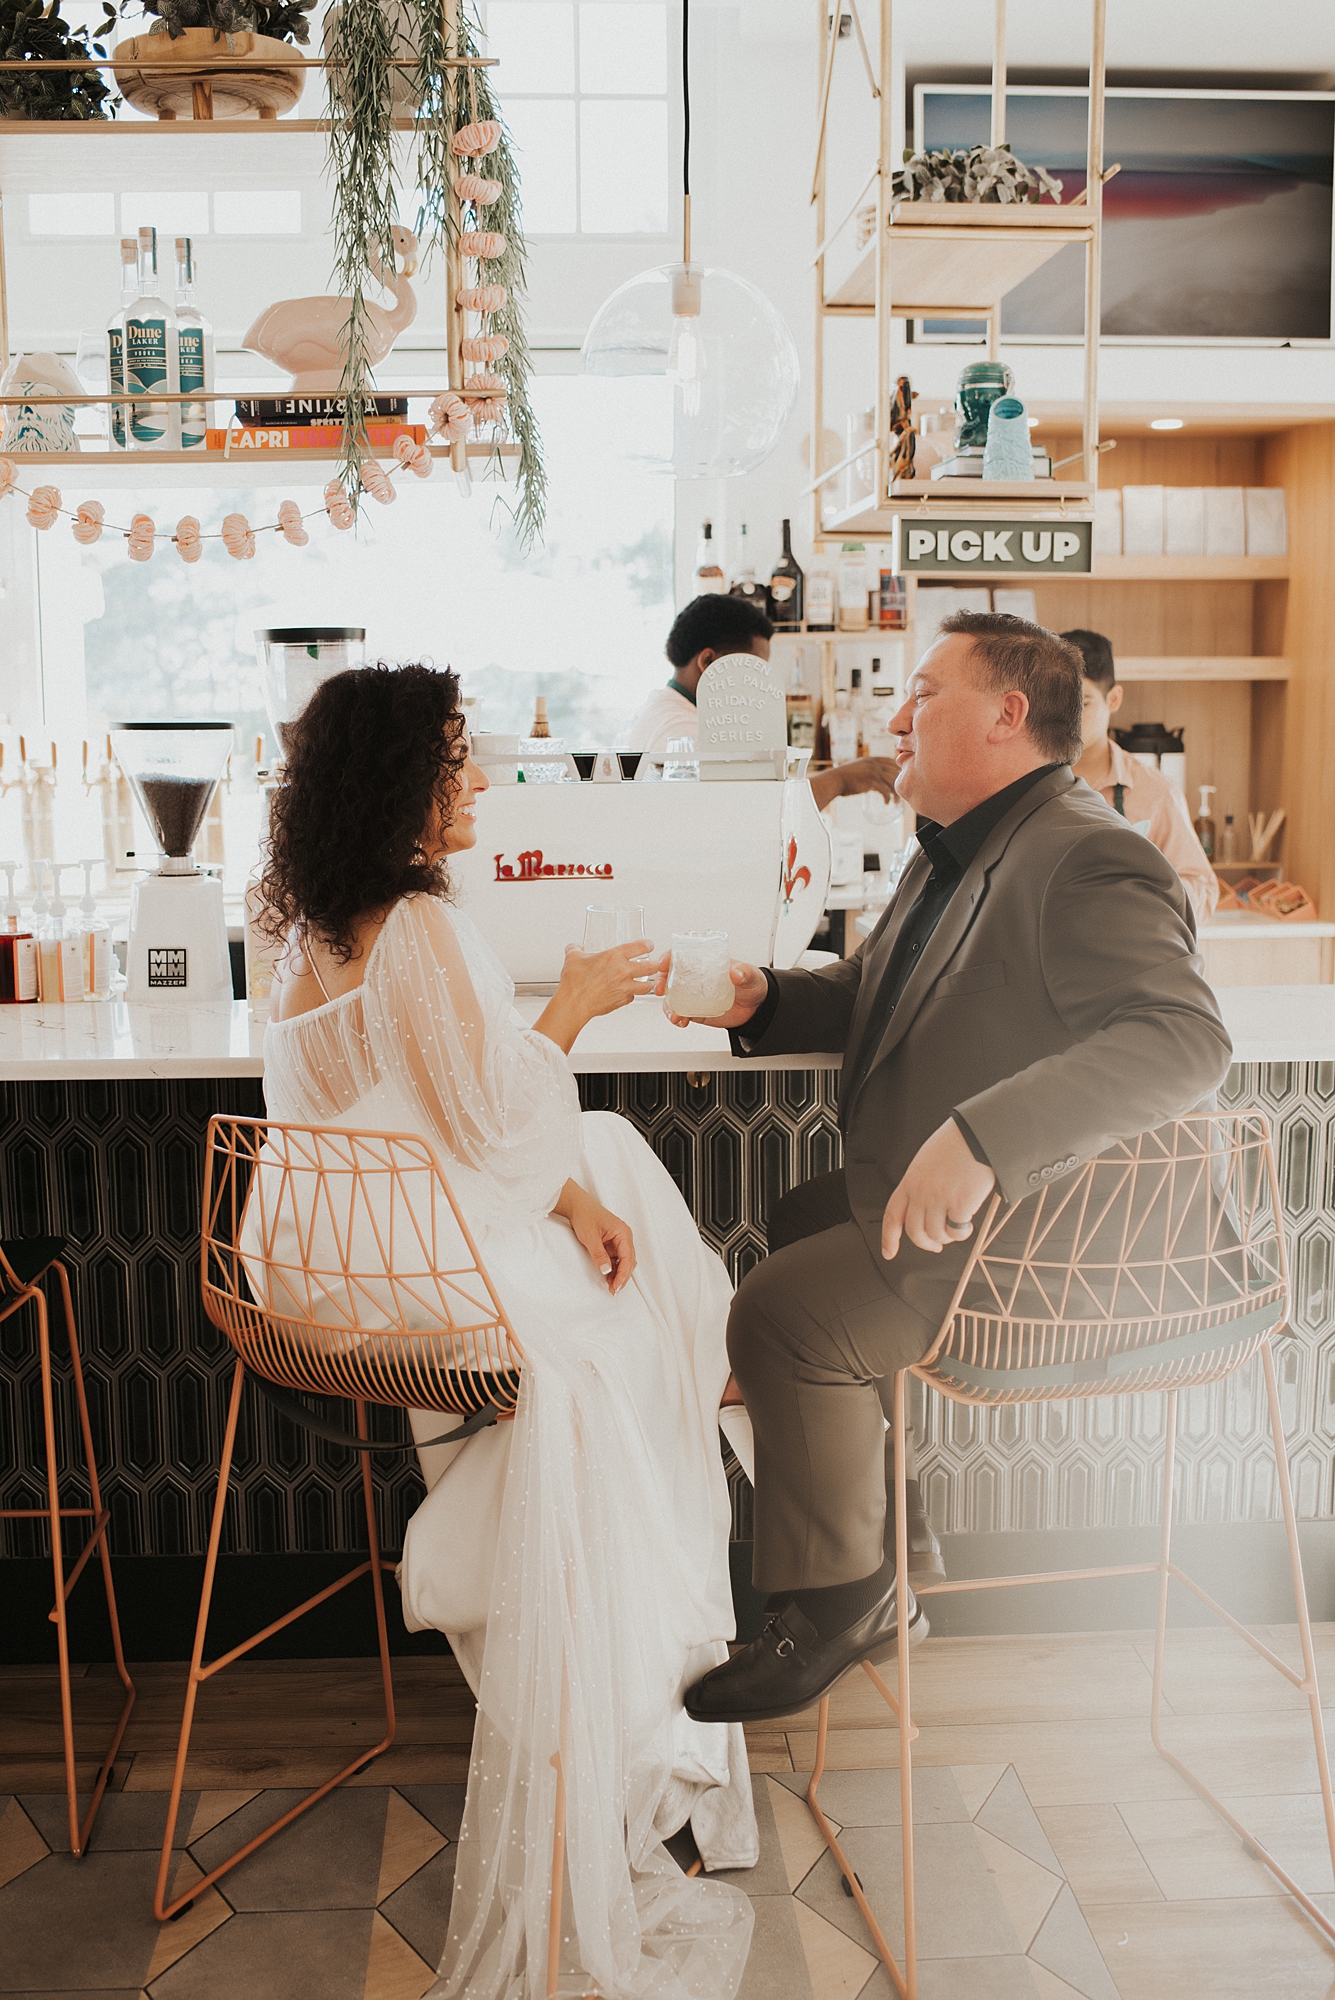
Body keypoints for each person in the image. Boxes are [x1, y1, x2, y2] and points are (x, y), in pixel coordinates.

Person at [259, 664, 757, 2000]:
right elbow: (482, 1122)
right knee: (626, 1356)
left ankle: (689, 1431)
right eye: (458, 761)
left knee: (598, 1163)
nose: (480, 780)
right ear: (403, 787)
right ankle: (639, 1701)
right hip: (414, 1267)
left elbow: (439, 1120)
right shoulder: (420, 928)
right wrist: (580, 1000)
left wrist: (569, 1185)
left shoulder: (309, 930)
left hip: (327, 1258)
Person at [659, 611, 1232, 1727]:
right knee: (800, 1211)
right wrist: (765, 997)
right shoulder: (960, 844)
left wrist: (982, 1139)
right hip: (977, 1223)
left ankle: (836, 1604)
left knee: (777, 1313)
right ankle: (888, 1542)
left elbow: (1184, 1039)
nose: (896, 714)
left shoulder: (1087, 850)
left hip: (1048, 1239)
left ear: (1008, 715)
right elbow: (877, 992)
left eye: (923, 692)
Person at [627, 592, 899, 810]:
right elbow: (755, 812)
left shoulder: (667, 707)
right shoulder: (683, 731)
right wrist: (840, 779)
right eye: (752, 668)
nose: (760, 684)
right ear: (708, 661)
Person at [1064, 626, 1218, 920]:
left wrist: (1143, 901)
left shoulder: (1156, 791)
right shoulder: (1024, 782)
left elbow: (1202, 888)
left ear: (1114, 699)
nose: (1067, 717)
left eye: (1083, 703)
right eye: (1058, 702)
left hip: (1130, 955)